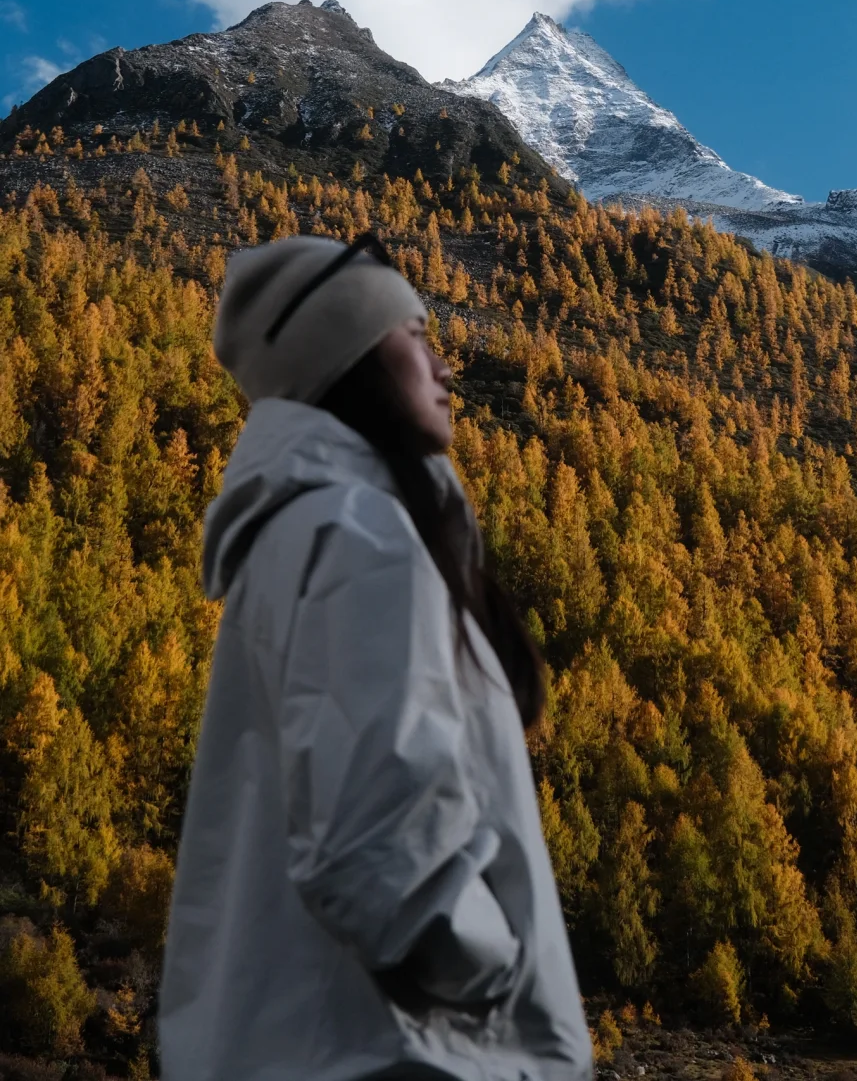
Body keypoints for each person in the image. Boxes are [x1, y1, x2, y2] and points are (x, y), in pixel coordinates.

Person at [159, 233, 593, 1081]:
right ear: (352, 356)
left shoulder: (296, 535)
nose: (443, 366)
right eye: (416, 335)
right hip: (400, 1055)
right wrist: (498, 975)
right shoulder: (359, 530)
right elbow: (371, 844)